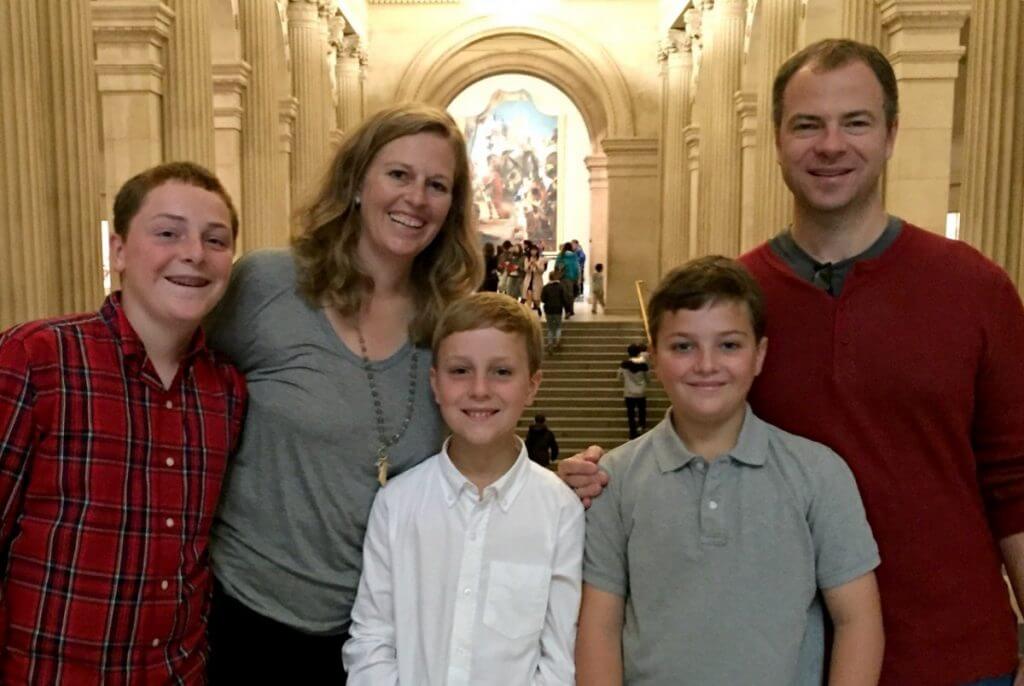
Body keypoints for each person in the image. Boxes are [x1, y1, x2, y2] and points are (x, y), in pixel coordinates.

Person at [562, 38, 1024, 686]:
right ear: (777, 139)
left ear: (891, 133)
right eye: (808, 125)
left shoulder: (976, 289)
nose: (830, 145)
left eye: (855, 122)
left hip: (952, 657)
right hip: (783, 660)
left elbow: (1016, 482)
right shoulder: (735, 307)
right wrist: (590, 479)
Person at [204, 104, 482, 684]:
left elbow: (480, 442)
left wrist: (561, 480)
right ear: (358, 182)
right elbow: (181, 389)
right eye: (398, 175)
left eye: (437, 185)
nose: (416, 199)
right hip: (245, 619)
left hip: (381, 634)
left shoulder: (450, 322)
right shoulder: (269, 286)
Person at [576, 256, 883, 685]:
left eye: (729, 345)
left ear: (759, 355)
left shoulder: (818, 474)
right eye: (683, 346)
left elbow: (858, 620)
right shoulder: (615, 478)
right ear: (655, 355)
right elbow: (600, 627)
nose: (706, 365)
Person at [0, 162, 246, 683]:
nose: (194, 253)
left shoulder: (226, 393)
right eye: (167, 233)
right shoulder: (37, 359)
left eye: (215, 240)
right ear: (118, 252)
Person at [343, 293, 584, 684]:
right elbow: (371, 639)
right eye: (460, 371)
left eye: (501, 372)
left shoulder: (560, 512)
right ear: (435, 383)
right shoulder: (397, 504)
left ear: (532, 384)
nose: (479, 389)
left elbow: (558, 659)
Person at [616, 343, 649, 439]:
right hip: (641, 392)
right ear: (639, 353)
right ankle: (642, 426)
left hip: (629, 393)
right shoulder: (643, 365)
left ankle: (632, 433)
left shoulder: (624, 364)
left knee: (631, 414)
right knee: (642, 410)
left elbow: (619, 377)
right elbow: (648, 378)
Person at [541, 270, 570, 353]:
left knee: (550, 328)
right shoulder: (561, 287)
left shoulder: (546, 287)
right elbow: (565, 299)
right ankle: (557, 341)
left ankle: (550, 344)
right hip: (558, 309)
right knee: (558, 327)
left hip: (548, 309)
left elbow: (543, 299)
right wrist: (567, 310)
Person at [554, 242, 580, 317]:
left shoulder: (561, 255)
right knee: (570, 294)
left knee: (564, 294)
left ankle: (567, 310)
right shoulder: (574, 256)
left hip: (563, 277)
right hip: (572, 278)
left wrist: (556, 276)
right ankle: (571, 310)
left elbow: (556, 266)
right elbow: (576, 267)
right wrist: (577, 278)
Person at [523, 243, 547, 312]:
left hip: (537, 279)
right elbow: (525, 269)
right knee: (529, 295)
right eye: (532, 250)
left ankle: (538, 308)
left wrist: (536, 264)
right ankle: (529, 310)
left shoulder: (541, 259)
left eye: (535, 250)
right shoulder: (527, 259)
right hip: (528, 279)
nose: (533, 252)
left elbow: (542, 270)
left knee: (536, 297)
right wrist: (529, 264)